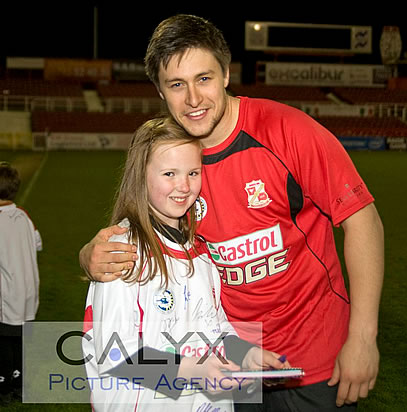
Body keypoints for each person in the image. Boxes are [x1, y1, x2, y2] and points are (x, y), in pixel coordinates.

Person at [80, 15, 384, 411]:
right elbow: (144, 228)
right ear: (160, 91)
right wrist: (89, 256)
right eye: (176, 84)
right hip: (226, 367)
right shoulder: (174, 159)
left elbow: (362, 219)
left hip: (311, 358)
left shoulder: (288, 131)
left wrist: (362, 337)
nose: (192, 99)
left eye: (203, 78)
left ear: (225, 73)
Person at [82, 116, 288, 411]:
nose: (184, 186)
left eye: (193, 172)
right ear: (141, 175)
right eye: (169, 173)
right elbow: (116, 355)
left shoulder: (202, 253)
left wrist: (245, 354)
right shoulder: (121, 252)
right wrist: (195, 371)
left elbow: (213, 325)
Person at [0, 162, 42, 401]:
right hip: (28, 294)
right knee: (19, 341)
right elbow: (37, 243)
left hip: (7, 294)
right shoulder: (24, 216)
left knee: (3, 342)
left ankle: (4, 386)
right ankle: (19, 383)